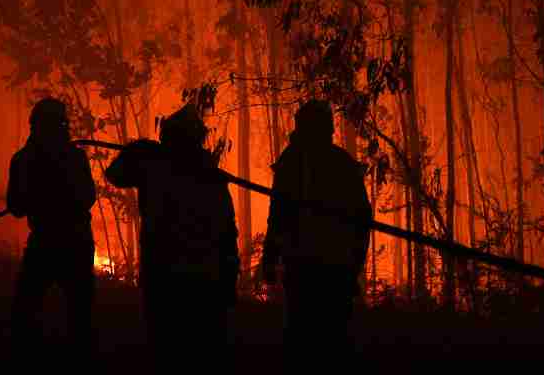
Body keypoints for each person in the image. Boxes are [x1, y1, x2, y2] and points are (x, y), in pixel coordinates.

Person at [105, 102, 239, 365]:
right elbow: (227, 230)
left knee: (170, 347)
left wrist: (138, 150)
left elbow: (116, 173)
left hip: (172, 273)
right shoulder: (195, 171)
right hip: (194, 274)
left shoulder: (158, 167)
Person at [262, 99, 371, 359]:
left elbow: (360, 219)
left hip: (324, 268)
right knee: (319, 339)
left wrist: (270, 257)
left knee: (316, 339)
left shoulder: (301, 162)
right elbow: (278, 214)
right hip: (314, 267)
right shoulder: (329, 163)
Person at [7, 97, 97, 350]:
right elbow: (88, 197)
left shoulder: (23, 160)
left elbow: (15, 207)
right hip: (75, 242)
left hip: (46, 243)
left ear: (34, 125)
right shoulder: (75, 158)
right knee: (80, 313)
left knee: (26, 309)